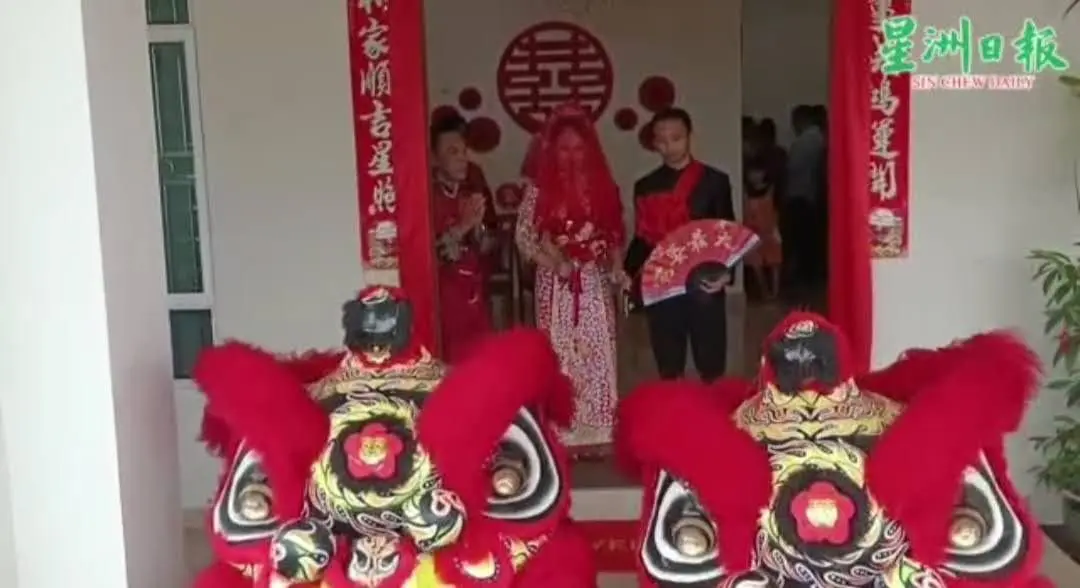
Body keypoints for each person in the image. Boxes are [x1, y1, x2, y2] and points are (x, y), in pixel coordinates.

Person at [515, 103, 627, 454]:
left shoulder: (602, 188)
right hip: (555, 283)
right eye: (564, 148)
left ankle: (599, 426)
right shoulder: (538, 190)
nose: (572, 156)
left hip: (592, 281)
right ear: (552, 150)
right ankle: (563, 427)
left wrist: (616, 267)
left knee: (597, 349)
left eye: (578, 148)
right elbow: (524, 238)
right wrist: (555, 263)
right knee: (559, 351)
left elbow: (614, 234)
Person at [624, 108, 735, 382]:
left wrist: (726, 273)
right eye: (662, 140)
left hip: (704, 280)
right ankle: (674, 405)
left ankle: (713, 405)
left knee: (711, 361)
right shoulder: (645, 186)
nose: (669, 146)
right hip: (662, 281)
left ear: (689, 136)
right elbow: (643, 237)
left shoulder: (714, 181)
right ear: (653, 143)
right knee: (669, 362)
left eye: (676, 138)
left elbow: (727, 233)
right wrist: (627, 273)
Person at [430, 113, 495, 362]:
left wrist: (479, 231)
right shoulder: (428, 197)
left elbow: (489, 242)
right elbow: (429, 257)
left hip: (475, 293)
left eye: (464, 151)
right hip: (445, 302)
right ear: (434, 158)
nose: (462, 159)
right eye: (453, 152)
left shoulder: (472, 187)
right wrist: (463, 226)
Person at [782, 104, 826, 297]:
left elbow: (792, 169)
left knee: (802, 241)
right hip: (810, 197)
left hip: (801, 196)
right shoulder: (819, 139)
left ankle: (805, 281)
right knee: (810, 240)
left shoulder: (806, 141)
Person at [743, 158, 782, 300]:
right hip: (753, 230)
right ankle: (764, 291)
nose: (755, 175)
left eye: (758, 172)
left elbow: (776, 210)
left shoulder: (771, 189)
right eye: (752, 172)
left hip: (770, 229)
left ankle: (775, 292)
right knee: (755, 261)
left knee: (774, 261)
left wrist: (775, 228)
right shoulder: (745, 191)